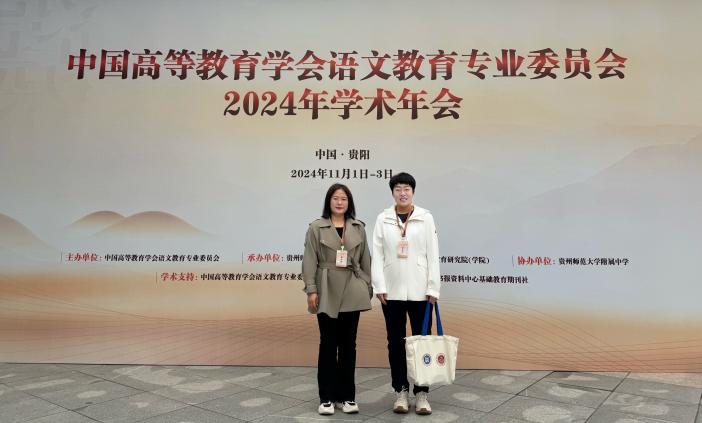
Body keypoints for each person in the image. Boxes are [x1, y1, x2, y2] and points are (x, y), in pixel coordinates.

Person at [371, 172, 440, 415]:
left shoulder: (425, 217)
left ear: (413, 192)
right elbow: (377, 254)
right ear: (392, 192)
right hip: (391, 292)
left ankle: (421, 393)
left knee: (422, 343)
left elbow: (433, 254)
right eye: (398, 189)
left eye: (407, 189)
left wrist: (433, 287)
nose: (402, 193)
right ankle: (400, 391)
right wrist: (379, 286)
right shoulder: (383, 219)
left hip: (421, 292)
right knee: (395, 343)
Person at [302, 183, 373, 416]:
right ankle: (326, 398)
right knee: (328, 343)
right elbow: (309, 260)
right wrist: (311, 289)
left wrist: (366, 285)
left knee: (349, 345)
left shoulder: (358, 227)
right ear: (329, 201)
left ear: (349, 202)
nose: (340, 202)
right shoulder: (316, 227)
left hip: (352, 287)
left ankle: (347, 397)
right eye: (335, 198)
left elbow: (366, 259)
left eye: (344, 198)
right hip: (326, 288)